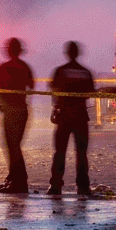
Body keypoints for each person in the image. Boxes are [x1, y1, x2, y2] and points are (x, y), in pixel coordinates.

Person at [0, 38, 35, 194]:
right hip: (22, 110)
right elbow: (31, 85)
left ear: (9, 50)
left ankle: (19, 183)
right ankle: (14, 178)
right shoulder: (25, 67)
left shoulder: (6, 67)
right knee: (15, 146)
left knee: (12, 146)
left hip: (11, 111)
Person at [48, 41, 95, 196]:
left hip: (64, 117)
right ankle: (83, 187)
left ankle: (56, 185)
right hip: (81, 117)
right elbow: (90, 93)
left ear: (67, 53)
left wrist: (56, 107)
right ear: (78, 53)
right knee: (81, 154)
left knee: (59, 152)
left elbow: (53, 91)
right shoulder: (85, 72)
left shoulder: (60, 71)